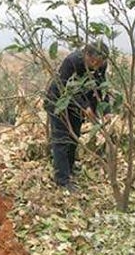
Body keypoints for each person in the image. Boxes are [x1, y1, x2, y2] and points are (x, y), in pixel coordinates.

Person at [44, 40, 110, 192]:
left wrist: (105, 110)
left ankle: (70, 167)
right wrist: (85, 106)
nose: (96, 65)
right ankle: (62, 179)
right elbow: (63, 86)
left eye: (100, 62)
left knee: (74, 136)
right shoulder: (72, 61)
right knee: (61, 139)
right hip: (58, 102)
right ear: (86, 55)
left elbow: (101, 86)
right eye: (94, 62)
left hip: (78, 106)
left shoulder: (101, 65)